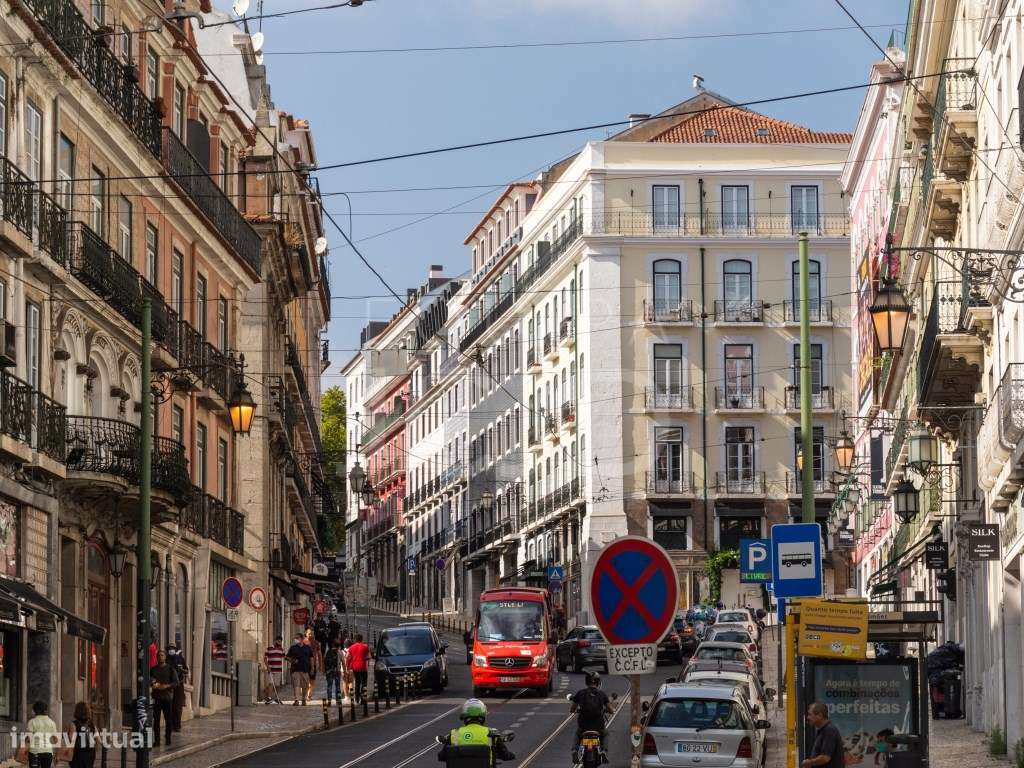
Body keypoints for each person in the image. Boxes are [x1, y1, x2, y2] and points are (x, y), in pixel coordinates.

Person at [437, 699, 515, 768]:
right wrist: (511, 755)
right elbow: (505, 755)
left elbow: (442, 756)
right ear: (483, 716)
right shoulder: (492, 733)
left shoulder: (455, 734)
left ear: (464, 717)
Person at [569, 671, 613, 761]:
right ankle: (604, 751)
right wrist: (608, 710)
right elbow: (610, 710)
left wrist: (576, 710)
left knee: (577, 734)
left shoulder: (580, 693)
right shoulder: (602, 694)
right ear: (598, 682)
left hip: (584, 725)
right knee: (606, 734)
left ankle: (574, 750)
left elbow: (572, 709)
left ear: (586, 682)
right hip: (598, 726)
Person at [802, 702, 844, 768]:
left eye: (810, 714)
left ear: (820, 716)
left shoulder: (829, 730)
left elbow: (825, 758)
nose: (808, 717)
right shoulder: (823, 730)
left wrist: (809, 763)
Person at [150, 650, 178, 746]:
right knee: (156, 720)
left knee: (168, 720)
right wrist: (153, 683)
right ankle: (157, 741)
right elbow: (150, 680)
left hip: (167, 698)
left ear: (165, 657)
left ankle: (168, 739)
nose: (160, 657)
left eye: (162, 655)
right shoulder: (153, 669)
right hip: (157, 698)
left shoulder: (170, 669)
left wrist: (166, 686)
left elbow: (176, 682)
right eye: (158, 655)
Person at [23, 700, 58, 768]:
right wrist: (57, 754)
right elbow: (56, 740)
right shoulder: (52, 722)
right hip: (48, 752)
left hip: (35, 752)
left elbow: (28, 739)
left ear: (36, 710)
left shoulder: (32, 722)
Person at [66, 701, 97, 768]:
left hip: (78, 754)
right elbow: (98, 739)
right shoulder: (91, 724)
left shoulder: (74, 724)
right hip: (90, 753)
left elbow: (72, 740)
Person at [167, 643, 189, 731]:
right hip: (169, 685)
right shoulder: (166, 659)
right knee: (169, 706)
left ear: (175, 649)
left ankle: (177, 725)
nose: (171, 650)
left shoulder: (180, 659)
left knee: (178, 706)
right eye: (169, 648)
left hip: (179, 685)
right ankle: (171, 725)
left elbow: (186, 671)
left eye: (172, 648)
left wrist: (181, 670)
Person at [287, 633, 313, 705]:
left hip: (305, 669)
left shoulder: (307, 648)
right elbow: (287, 657)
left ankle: (303, 699)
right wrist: (293, 660)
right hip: (295, 669)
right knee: (296, 685)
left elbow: (311, 658)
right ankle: (296, 700)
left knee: (305, 686)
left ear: (301, 639)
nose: (296, 639)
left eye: (297, 638)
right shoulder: (293, 648)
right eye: (295, 638)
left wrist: (312, 668)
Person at [347, 633, 371, 703]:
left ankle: (357, 698)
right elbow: (369, 656)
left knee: (357, 682)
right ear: (362, 639)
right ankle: (363, 698)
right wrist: (364, 658)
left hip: (355, 667)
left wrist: (349, 665)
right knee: (364, 683)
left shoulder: (351, 647)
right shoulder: (365, 646)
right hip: (363, 667)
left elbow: (347, 657)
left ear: (355, 640)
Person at [263, 636, 287, 704]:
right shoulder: (269, 648)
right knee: (271, 683)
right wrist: (267, 667)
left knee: (277, 685)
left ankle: (276, 698)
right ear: (275, 641)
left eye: (280, 642)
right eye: (278, 641)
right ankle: (269, 698)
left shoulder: (281, 649)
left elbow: (285, 657)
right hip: (271, 669)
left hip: (278, 670)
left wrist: (291, 660)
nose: (279, 643)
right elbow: (265, 658)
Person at [304, 628, 323, 697]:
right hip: (304, 664)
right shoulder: (303, 642)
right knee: (305, 681)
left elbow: (319, 654)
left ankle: (309, 695)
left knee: (312, 680)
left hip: (313, 664)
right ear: (306, 634)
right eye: (309, 633)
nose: (311, 635)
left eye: (312, 633)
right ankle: (306, 694)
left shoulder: (316, 643)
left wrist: (321, 665)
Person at [324, 640, 342, 705]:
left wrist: (324, 671)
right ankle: (338, 700)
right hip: (337, 671)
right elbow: (343, 662)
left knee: (329, 685)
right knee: (337, 686)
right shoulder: (340, 652)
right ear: (339, 646)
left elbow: (325, 661)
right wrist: (345, 671)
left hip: (329, 671)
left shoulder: (328, 651)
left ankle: (329, 700)